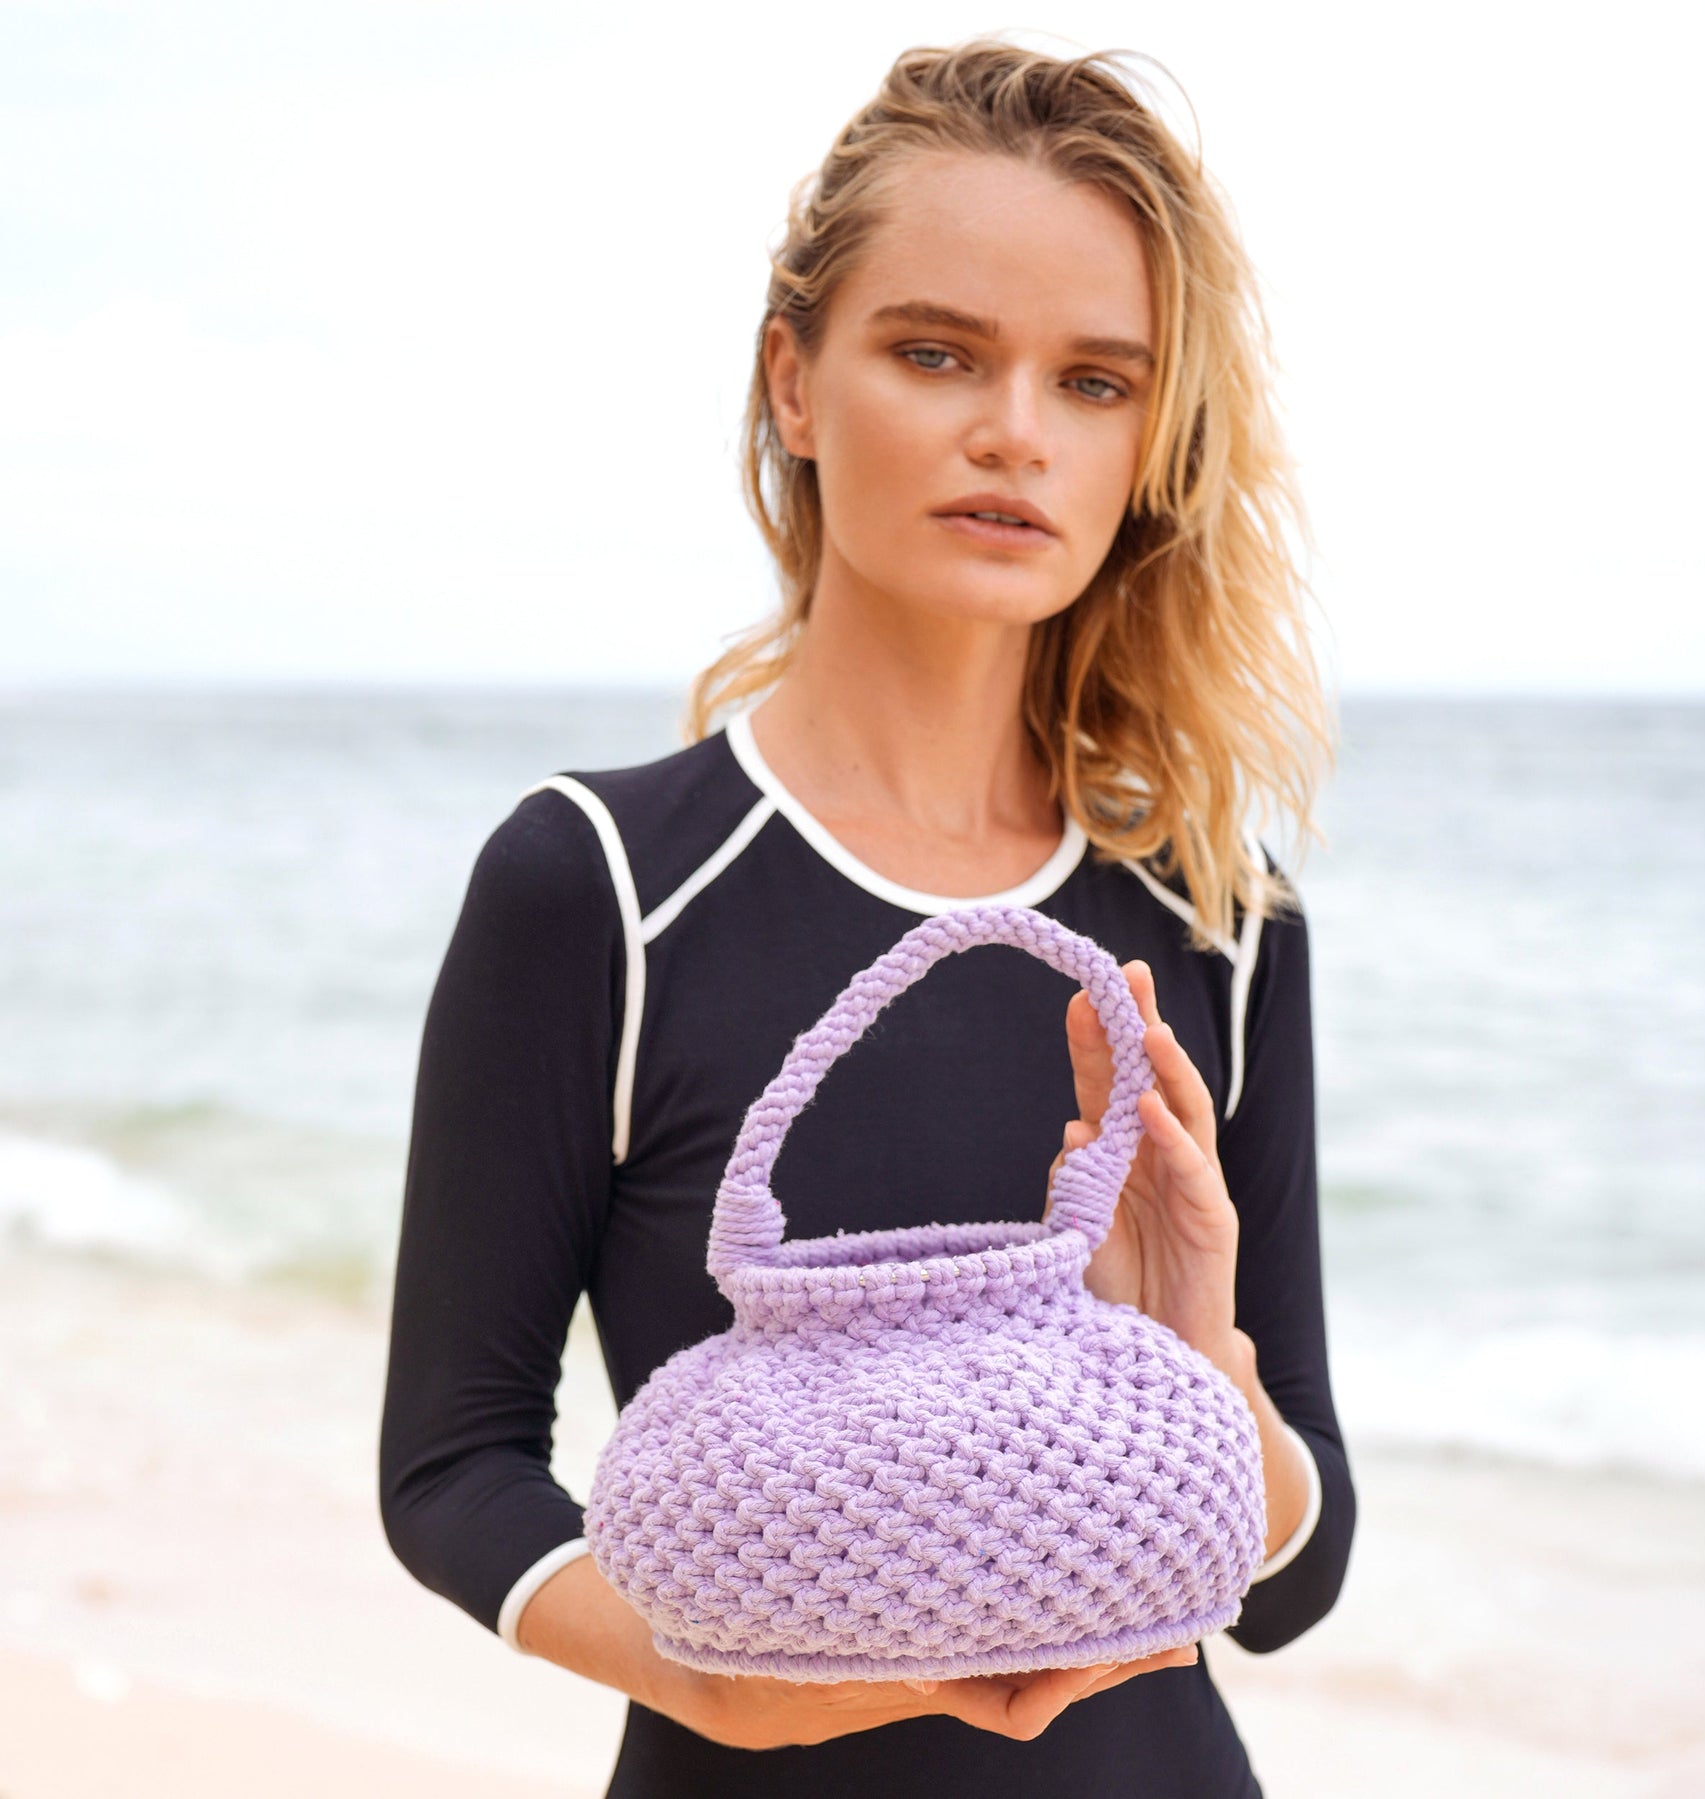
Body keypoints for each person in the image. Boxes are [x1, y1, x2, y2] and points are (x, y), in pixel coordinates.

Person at [379, 37, 1353, 1799]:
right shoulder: (601, 882)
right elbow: (453, 1466)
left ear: (1147, 446)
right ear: (796, 384)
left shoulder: (1219, 916)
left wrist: (1201, 1358)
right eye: (936, 353)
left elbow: (1296, 1577)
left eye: (1095, 382)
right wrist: (704, 1680)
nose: (1014, 431)